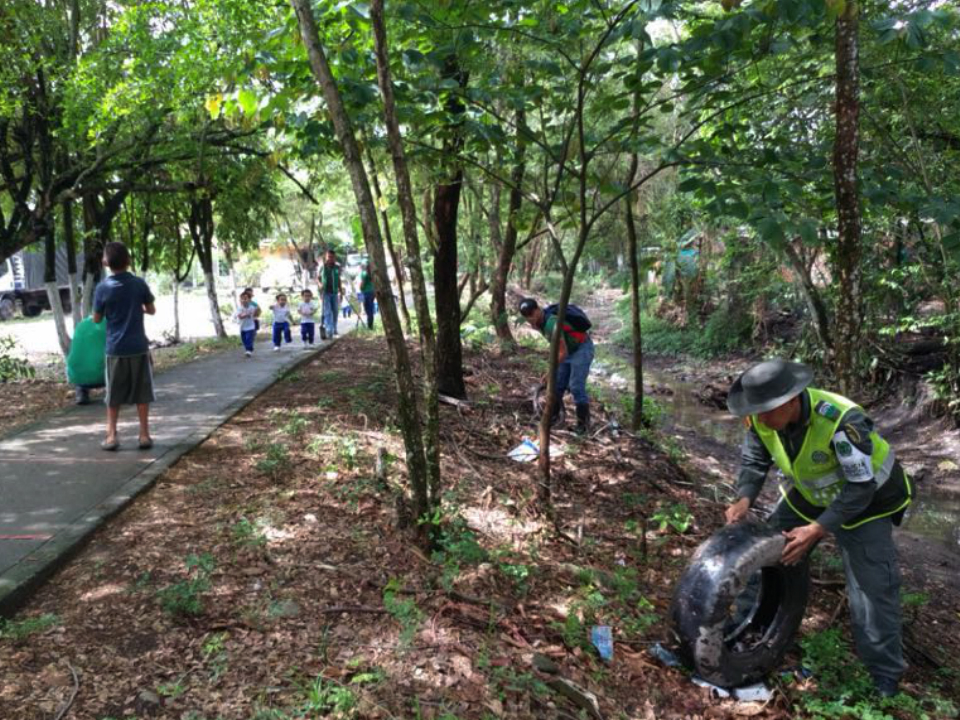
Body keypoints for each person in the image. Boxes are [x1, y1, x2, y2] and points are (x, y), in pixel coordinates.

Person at [724, 359, 913, 698]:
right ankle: (748, 631)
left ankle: (883, 678)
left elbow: (860, 488)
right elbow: (755, 459)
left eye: (767, 411)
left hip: (869, 502)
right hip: (813, 494)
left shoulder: (842, 421)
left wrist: (818, 529)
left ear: (792, 400)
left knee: (871, 591)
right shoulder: (762, 418)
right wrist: (744, 498)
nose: (760, 419)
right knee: (764, 554)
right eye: (756, 412)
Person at [92, 241, 156, 451]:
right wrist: (137, 308)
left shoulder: (102, 288)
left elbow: (97, 319)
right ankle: (144, 435)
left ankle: (111, 436)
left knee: (114, 395)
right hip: (138, 346)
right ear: (128, 260)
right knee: (142, 392)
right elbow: (151, 309)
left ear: (105, 262)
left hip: (115, 349)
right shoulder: (139, 284)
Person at [518, 297, 595, 434]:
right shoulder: (539, 323)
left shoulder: (551, 323)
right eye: (526, 316)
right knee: (557, 386)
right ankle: (553, 418)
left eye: (531, 314)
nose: (530, 318)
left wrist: (549, 371)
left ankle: (583, 427)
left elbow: (562, 352)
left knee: (576, 386)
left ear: (537, 310)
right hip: (567, 350)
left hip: (581, 348)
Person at [319, 249, 343, 340]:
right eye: (329, 257)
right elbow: (317, 278)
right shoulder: (323, 267)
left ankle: (334, 328)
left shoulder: (337, 267)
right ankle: (329, 330)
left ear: (334, 257)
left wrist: (341, 291)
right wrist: (320, 284)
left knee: (335, 311)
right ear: (326, 257)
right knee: (327, 312)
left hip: (334, 292)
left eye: (332, 257)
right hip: (325, 292)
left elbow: (339, 279)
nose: (330, 258)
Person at [234, 291, 258, 357]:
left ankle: (248, 351)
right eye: (242, 299)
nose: (243, 300)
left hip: (250, 327)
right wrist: (245, 315)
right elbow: (240, 316)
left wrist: (255, 313)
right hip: (242, 327)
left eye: (245, 298)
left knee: (249, 339)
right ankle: (249, 348)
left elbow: (254, 314)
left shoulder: (252, 307)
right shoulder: (239, 308)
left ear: (249, 300)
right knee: (244, 341)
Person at [359, 262, 376, 330]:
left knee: (367, 309)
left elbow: (362, 285)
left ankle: (369, 325)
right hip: (372, 292)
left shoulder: (363, 273)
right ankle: (370, 325)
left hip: (365, 293)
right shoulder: (371, 274)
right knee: (370, 309)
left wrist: (360, 288)